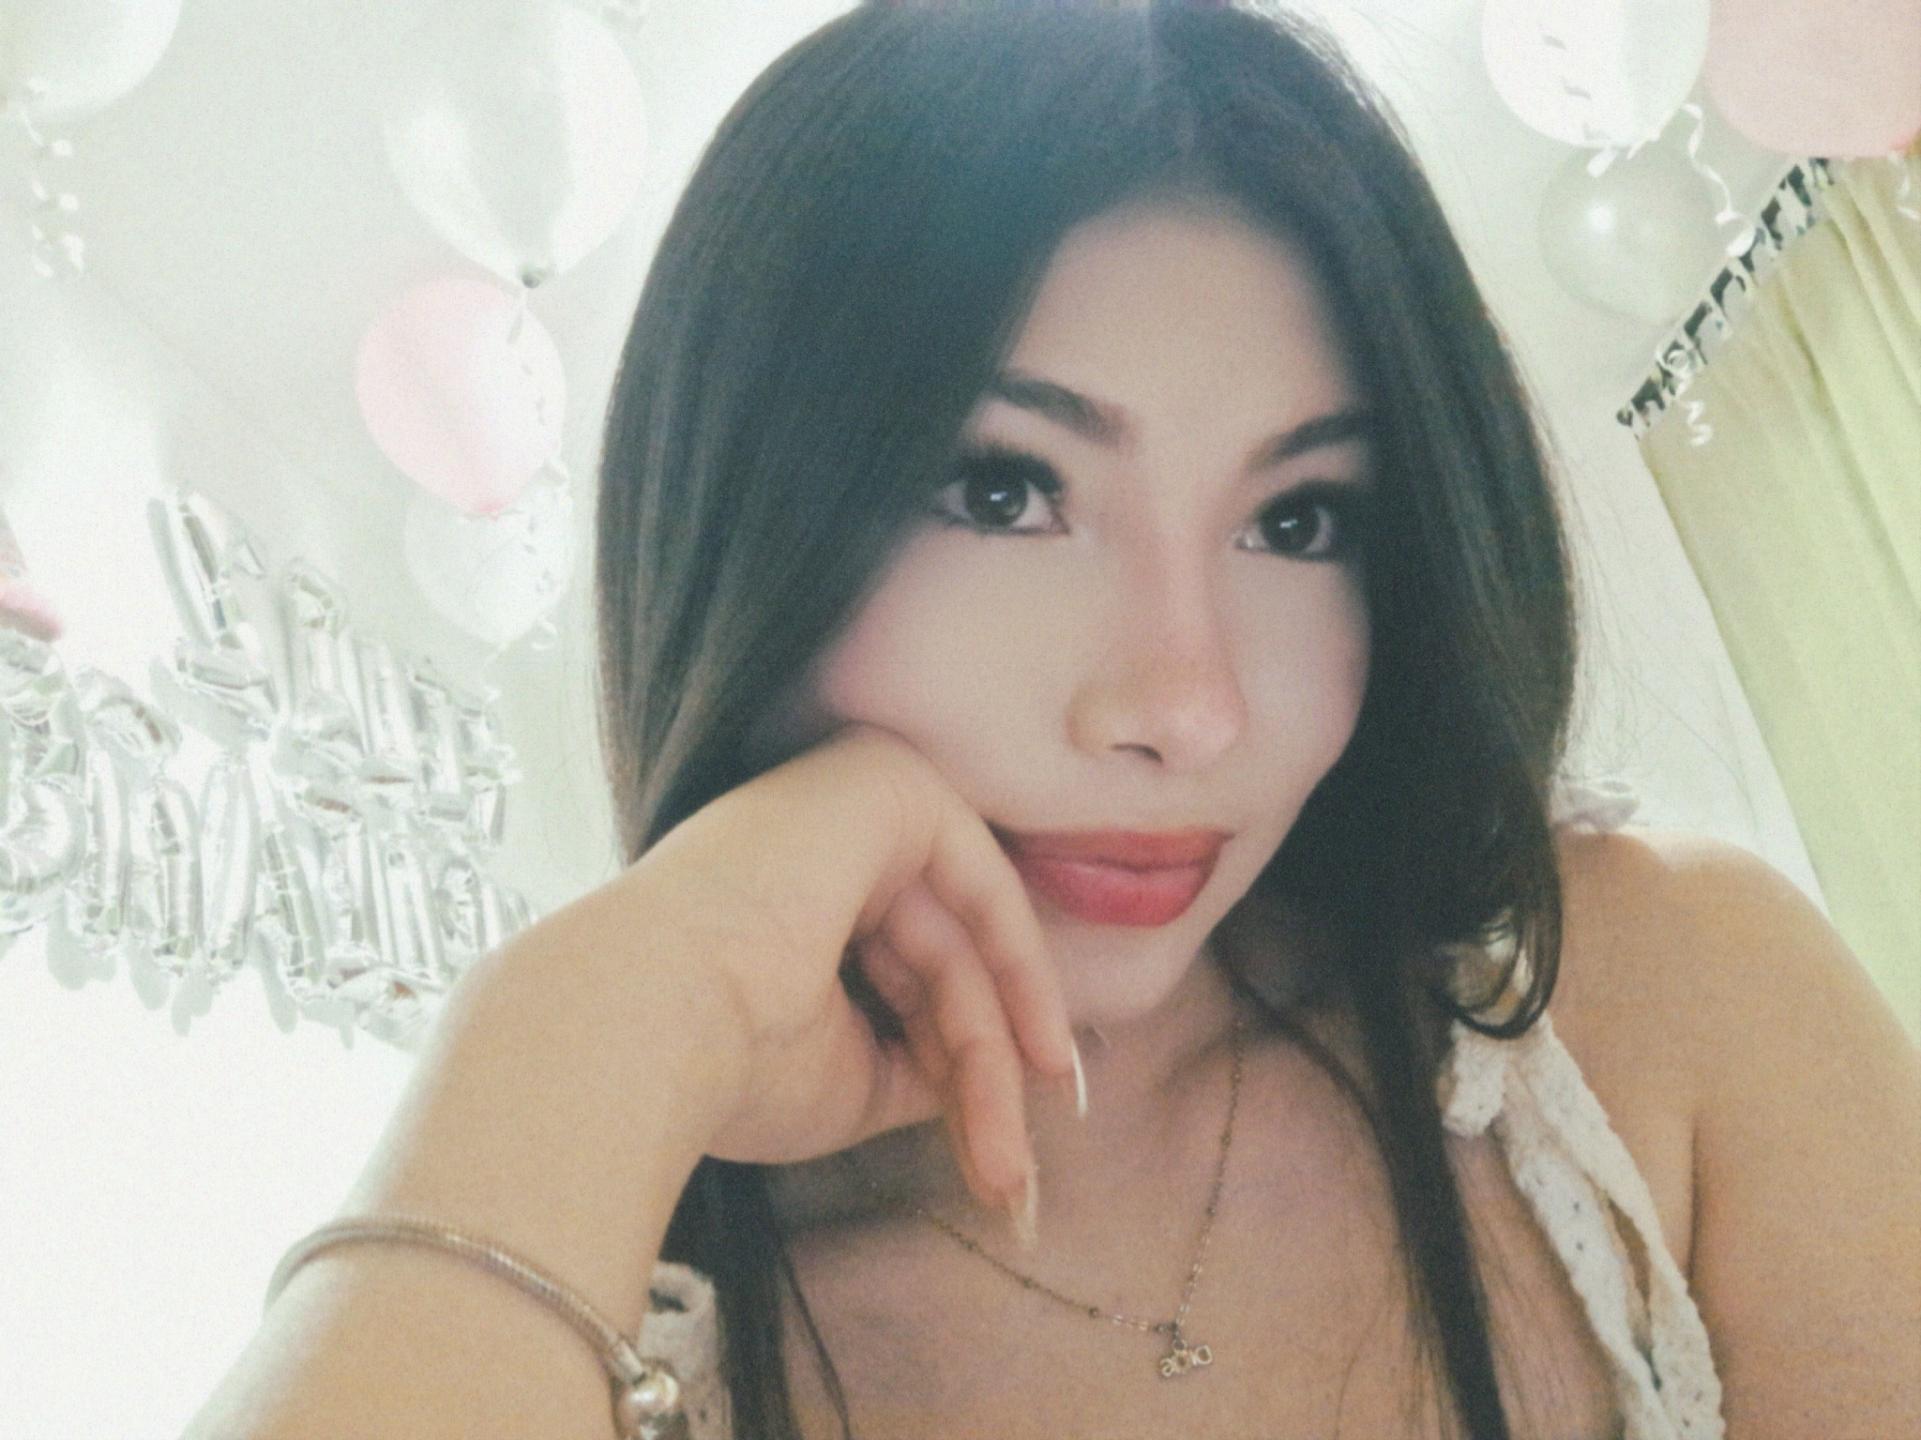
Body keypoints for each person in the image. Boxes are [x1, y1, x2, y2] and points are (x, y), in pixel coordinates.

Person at [183, 2, 1921, 1438]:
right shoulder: (598, 1337)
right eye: (1002, 490)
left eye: (1297, 518)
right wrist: (571, 1027)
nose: (1186, 706)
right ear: (743, 520)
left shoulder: (1657, 1011)